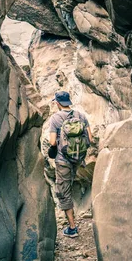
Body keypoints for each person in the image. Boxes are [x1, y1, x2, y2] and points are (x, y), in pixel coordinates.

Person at [48, 91, 92, 238]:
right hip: (78, 158)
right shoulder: (81, 116)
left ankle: (72, 228)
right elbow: (89, 138)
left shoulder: (55, 118)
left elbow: (53, 142)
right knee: (70, 182)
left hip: (63, 160)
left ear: (58, 103)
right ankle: (72, 217)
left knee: (63, 191)